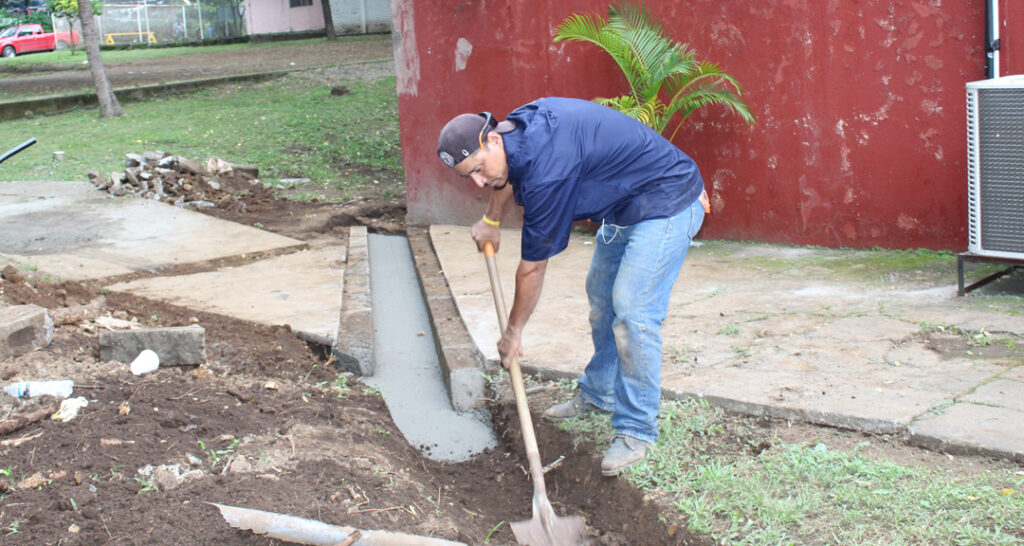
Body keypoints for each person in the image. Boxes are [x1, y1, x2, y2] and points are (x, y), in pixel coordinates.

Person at [436, 97, 708, 476]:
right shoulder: (515, 130)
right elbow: (504, 175)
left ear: (492, 141)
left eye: (479, 169)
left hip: (668, 200)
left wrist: (513, 332)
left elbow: (532, 270)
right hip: (625, 205)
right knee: (602, 298)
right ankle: (600, 391)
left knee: (632, 311)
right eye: (471, 177)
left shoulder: (548, 173)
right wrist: (491, 219)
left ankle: (636, 430)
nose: (480, 181)